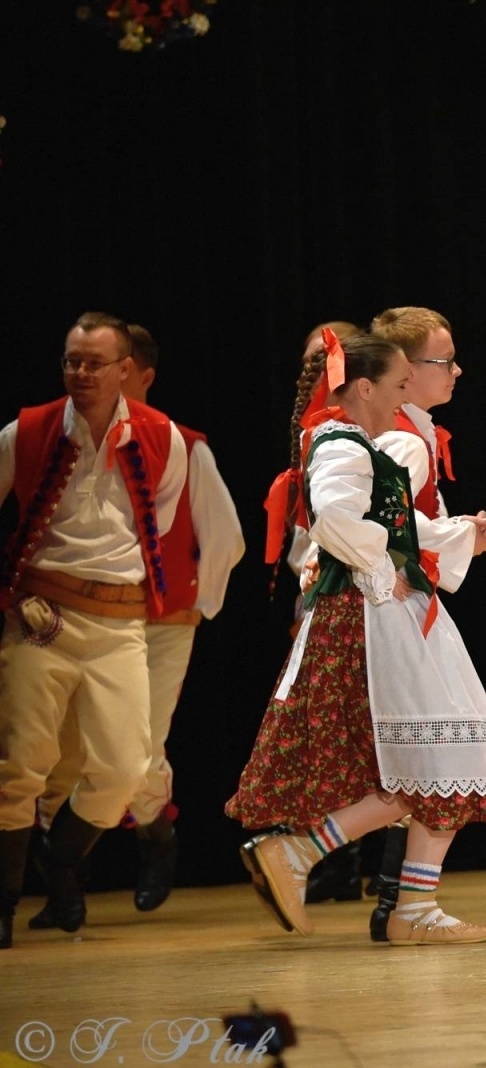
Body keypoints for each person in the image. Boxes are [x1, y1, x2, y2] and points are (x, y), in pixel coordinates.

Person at [228, 331, 486, 944]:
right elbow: (334, 522)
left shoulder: (353, 441)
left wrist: (451, 533)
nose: (406, 395)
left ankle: (387, 895)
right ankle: (316, 861)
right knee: (437, 755)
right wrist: (387, 566)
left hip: (380, 609)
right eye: (399, 383)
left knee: (434, 755)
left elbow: (389, 522)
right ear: (364, 387)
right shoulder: (343, 442)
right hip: (372, 615)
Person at [26, 323, 245, 930]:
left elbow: (225, 536)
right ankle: (63, 886)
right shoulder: (62, 437)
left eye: (113, 367)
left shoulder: (180, 444)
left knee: (137, 750)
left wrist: (194, 606)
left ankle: (153, 835)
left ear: (136, 373)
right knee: (62, 756)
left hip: (161, 619)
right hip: (86, 614)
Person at [0, 311, 189, 949]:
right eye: (71, 361)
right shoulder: (26, 432)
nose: (80, 373)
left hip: (118, 624)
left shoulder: (165, 437)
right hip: (42, 619)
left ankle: (58, 860)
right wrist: (13, 597)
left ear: (125, 370)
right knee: (20, 767)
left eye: (94, 363)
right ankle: (2, 906)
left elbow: (156, 531)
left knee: (124, 768)